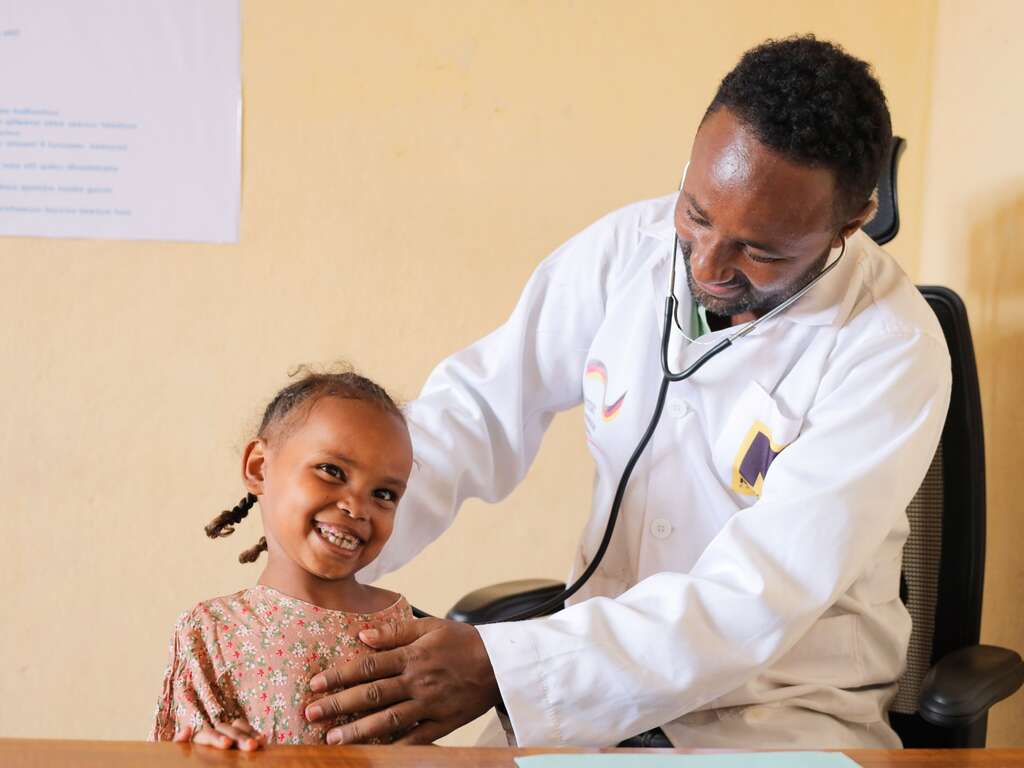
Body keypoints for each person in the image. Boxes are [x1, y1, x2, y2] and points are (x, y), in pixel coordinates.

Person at [300, 36, 952, 749]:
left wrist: (502, 667)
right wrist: (339, 530)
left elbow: (756, 597)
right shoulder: (627, 250)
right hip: (590, 696)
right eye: (697, 213)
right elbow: (479, 409)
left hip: (778, 715)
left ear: (848, 224)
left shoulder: (891, 350)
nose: (705, 263)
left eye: (759, 250)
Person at [149, 369, 415, 748]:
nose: (358, 508)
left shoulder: (405, 631)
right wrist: (208, 749)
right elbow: (175, 753)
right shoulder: (211, 631)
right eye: (332, 471)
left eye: (385, 494)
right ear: (259, 467)